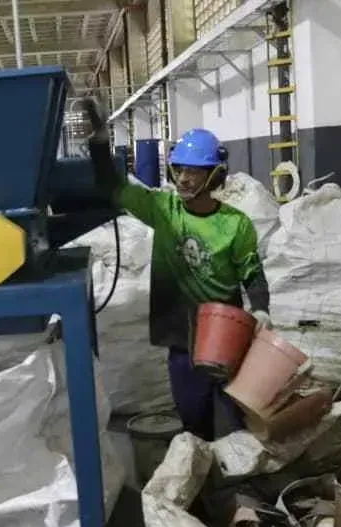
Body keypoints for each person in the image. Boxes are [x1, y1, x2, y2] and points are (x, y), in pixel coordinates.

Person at [82, 99, 271, 442]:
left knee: (234, 423)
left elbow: (252, 273)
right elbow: (113, 187)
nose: (184, 178)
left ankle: (238, 485)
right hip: (182, 340)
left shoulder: (235, 225)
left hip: (225, 338)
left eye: (194, 171)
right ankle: (203, 485)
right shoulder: (163, 210)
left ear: (214, 175)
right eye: (179, 169)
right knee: (193, 423)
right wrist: (98, 141)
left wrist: (261, 309)